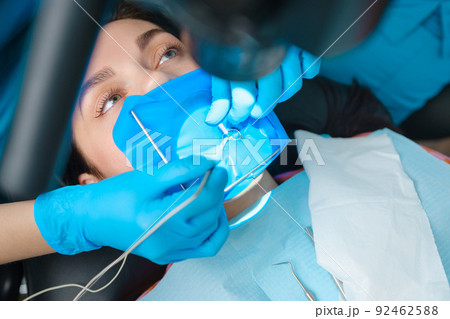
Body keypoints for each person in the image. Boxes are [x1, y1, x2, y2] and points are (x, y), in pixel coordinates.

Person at [53, 1, 450, 300]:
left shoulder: (379, 153)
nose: (158, 82)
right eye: (110, 100)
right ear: (94, 184)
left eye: (167, 52)